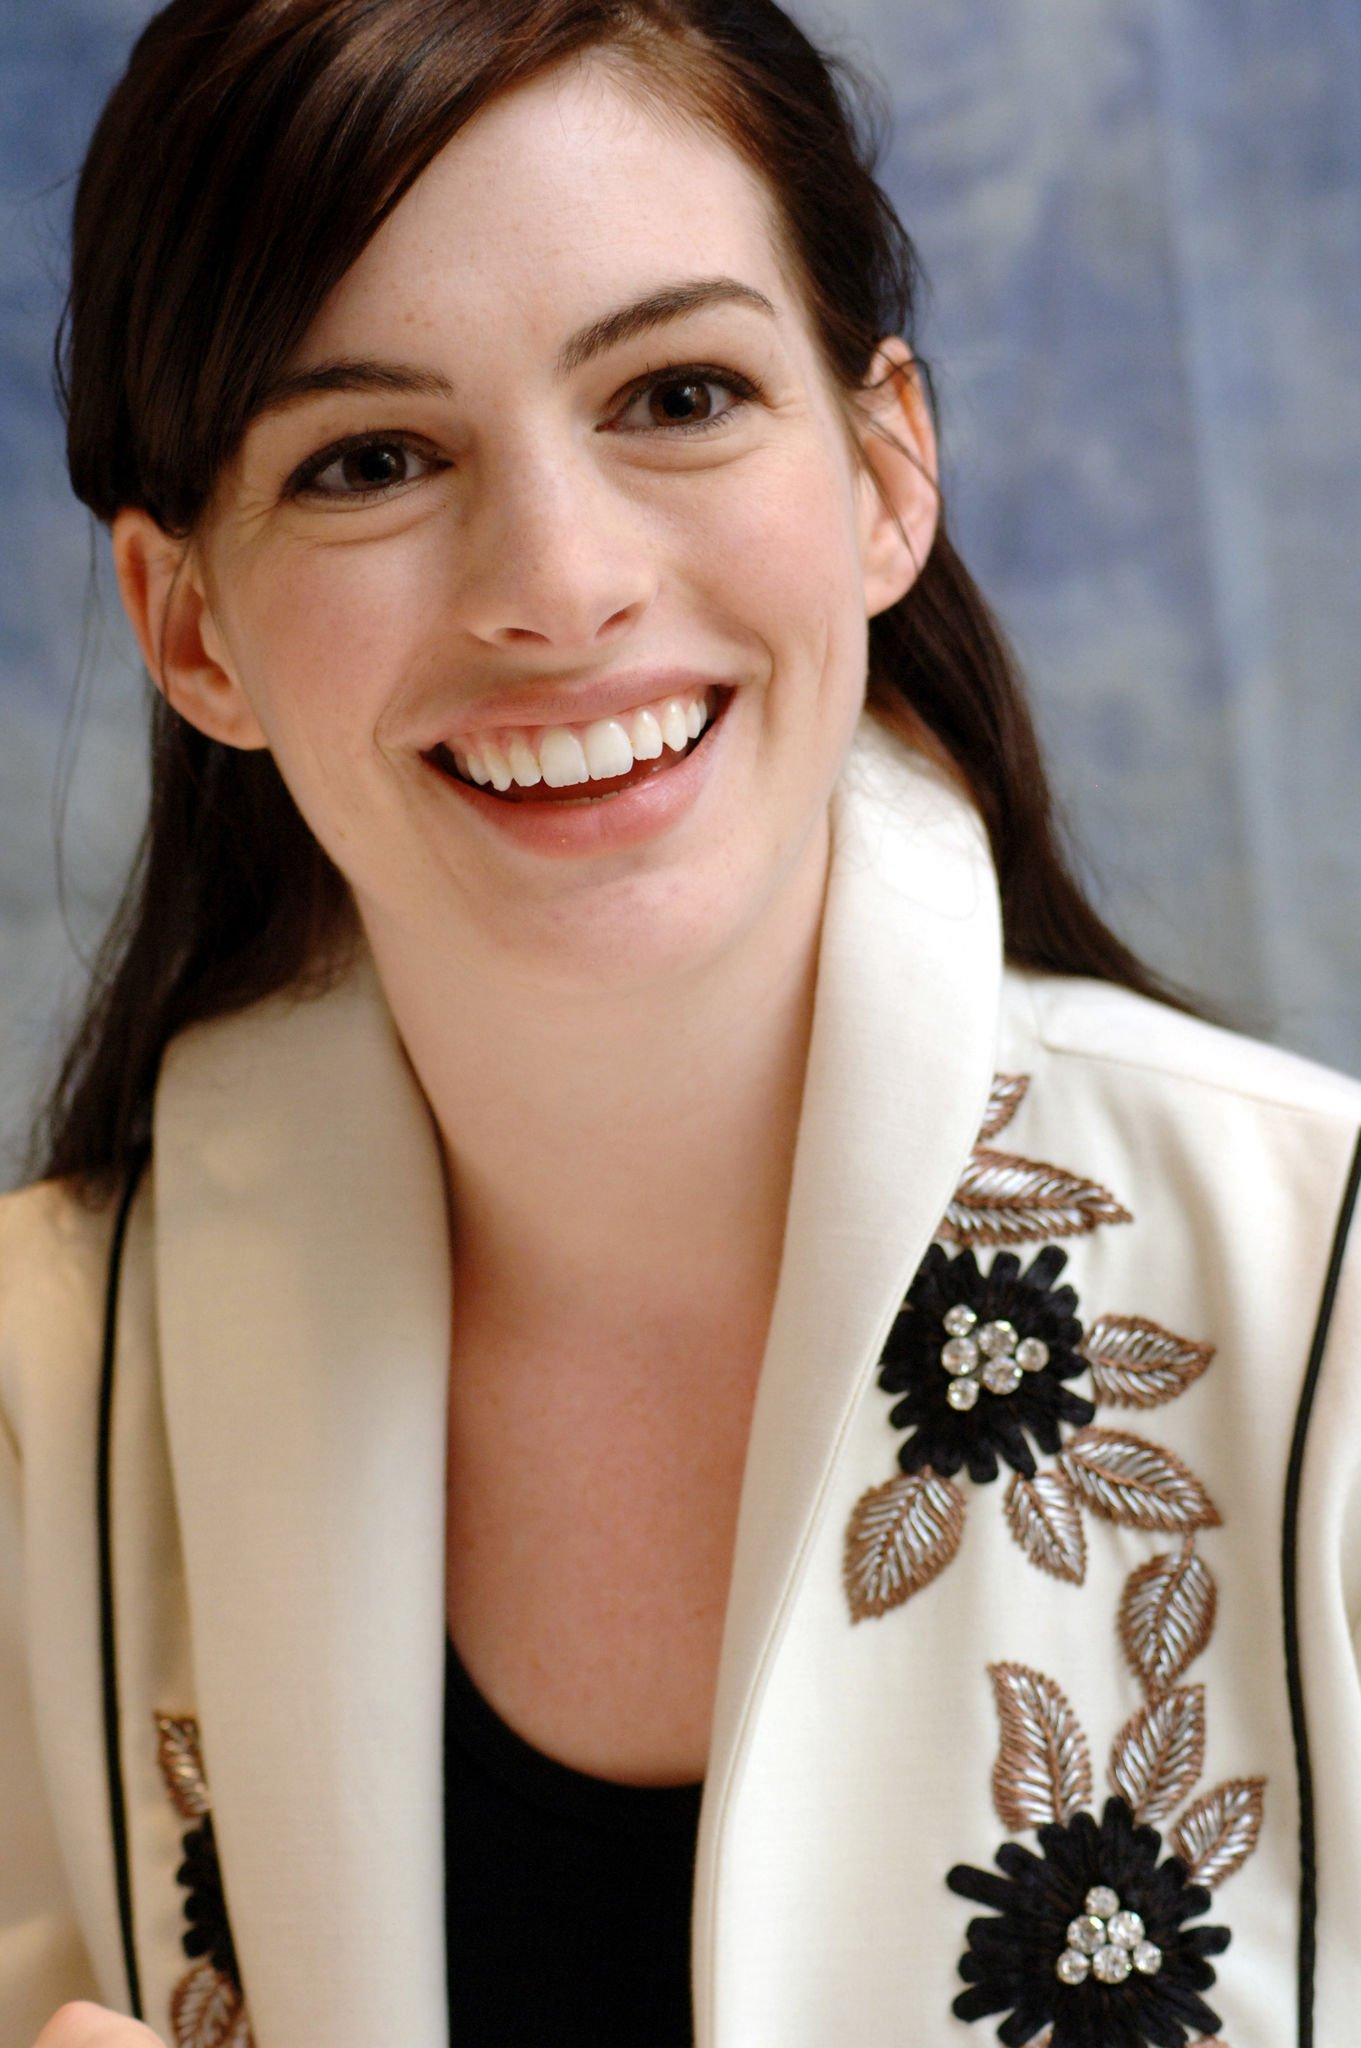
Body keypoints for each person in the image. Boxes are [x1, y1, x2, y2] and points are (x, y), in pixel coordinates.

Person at [4, 2, 1360, 2045]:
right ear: (190, 627)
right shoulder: (33, 1404)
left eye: (676, 394)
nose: (558, 585)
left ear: (883, 470)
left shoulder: (1334, 1299)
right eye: (371, 460)